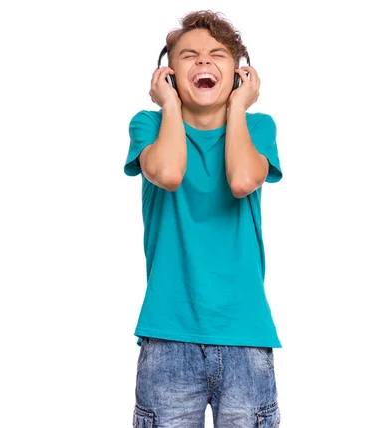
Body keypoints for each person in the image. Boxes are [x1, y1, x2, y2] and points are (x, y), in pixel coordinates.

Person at [124, 10, 283, 427]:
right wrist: (171, 105)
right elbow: (169, 173)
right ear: (169, 74)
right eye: (189, 55)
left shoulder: (258, 128)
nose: (203, 62)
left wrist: (237, 108)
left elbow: (242, 179)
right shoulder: (149, 125)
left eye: (217, 55)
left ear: (240, 74)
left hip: (246, 338)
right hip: (168, 335)